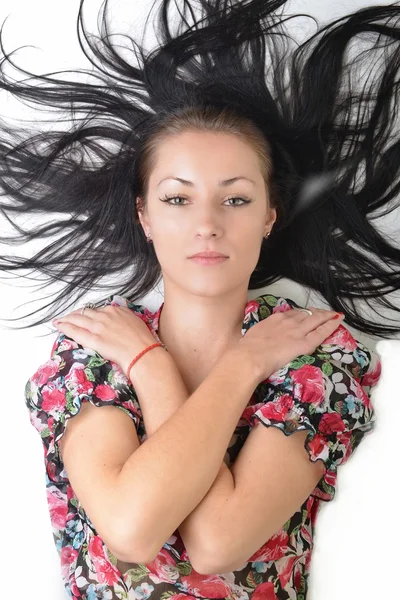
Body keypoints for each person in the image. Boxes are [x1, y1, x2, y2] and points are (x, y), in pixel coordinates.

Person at [1, 0, 399, 598]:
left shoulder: (314, 353)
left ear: (270, 215)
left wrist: (240, 361)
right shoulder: (96, 348)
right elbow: (132, 531)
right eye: (178, 199)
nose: (207, 224)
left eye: (235, 199)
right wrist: (165, 363)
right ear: (145, 216)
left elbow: (217, 545)